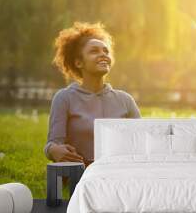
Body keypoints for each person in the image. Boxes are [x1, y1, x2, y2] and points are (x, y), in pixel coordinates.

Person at [44, 22, 141, 167]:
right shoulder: (64, 98)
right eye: (94, 51)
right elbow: (52, 144)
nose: (103, 54)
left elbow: (142, 139)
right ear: (78, 63)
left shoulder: (125, 100)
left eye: (106, 51)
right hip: (79, 176)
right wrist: (53, 150)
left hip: (118, 172)